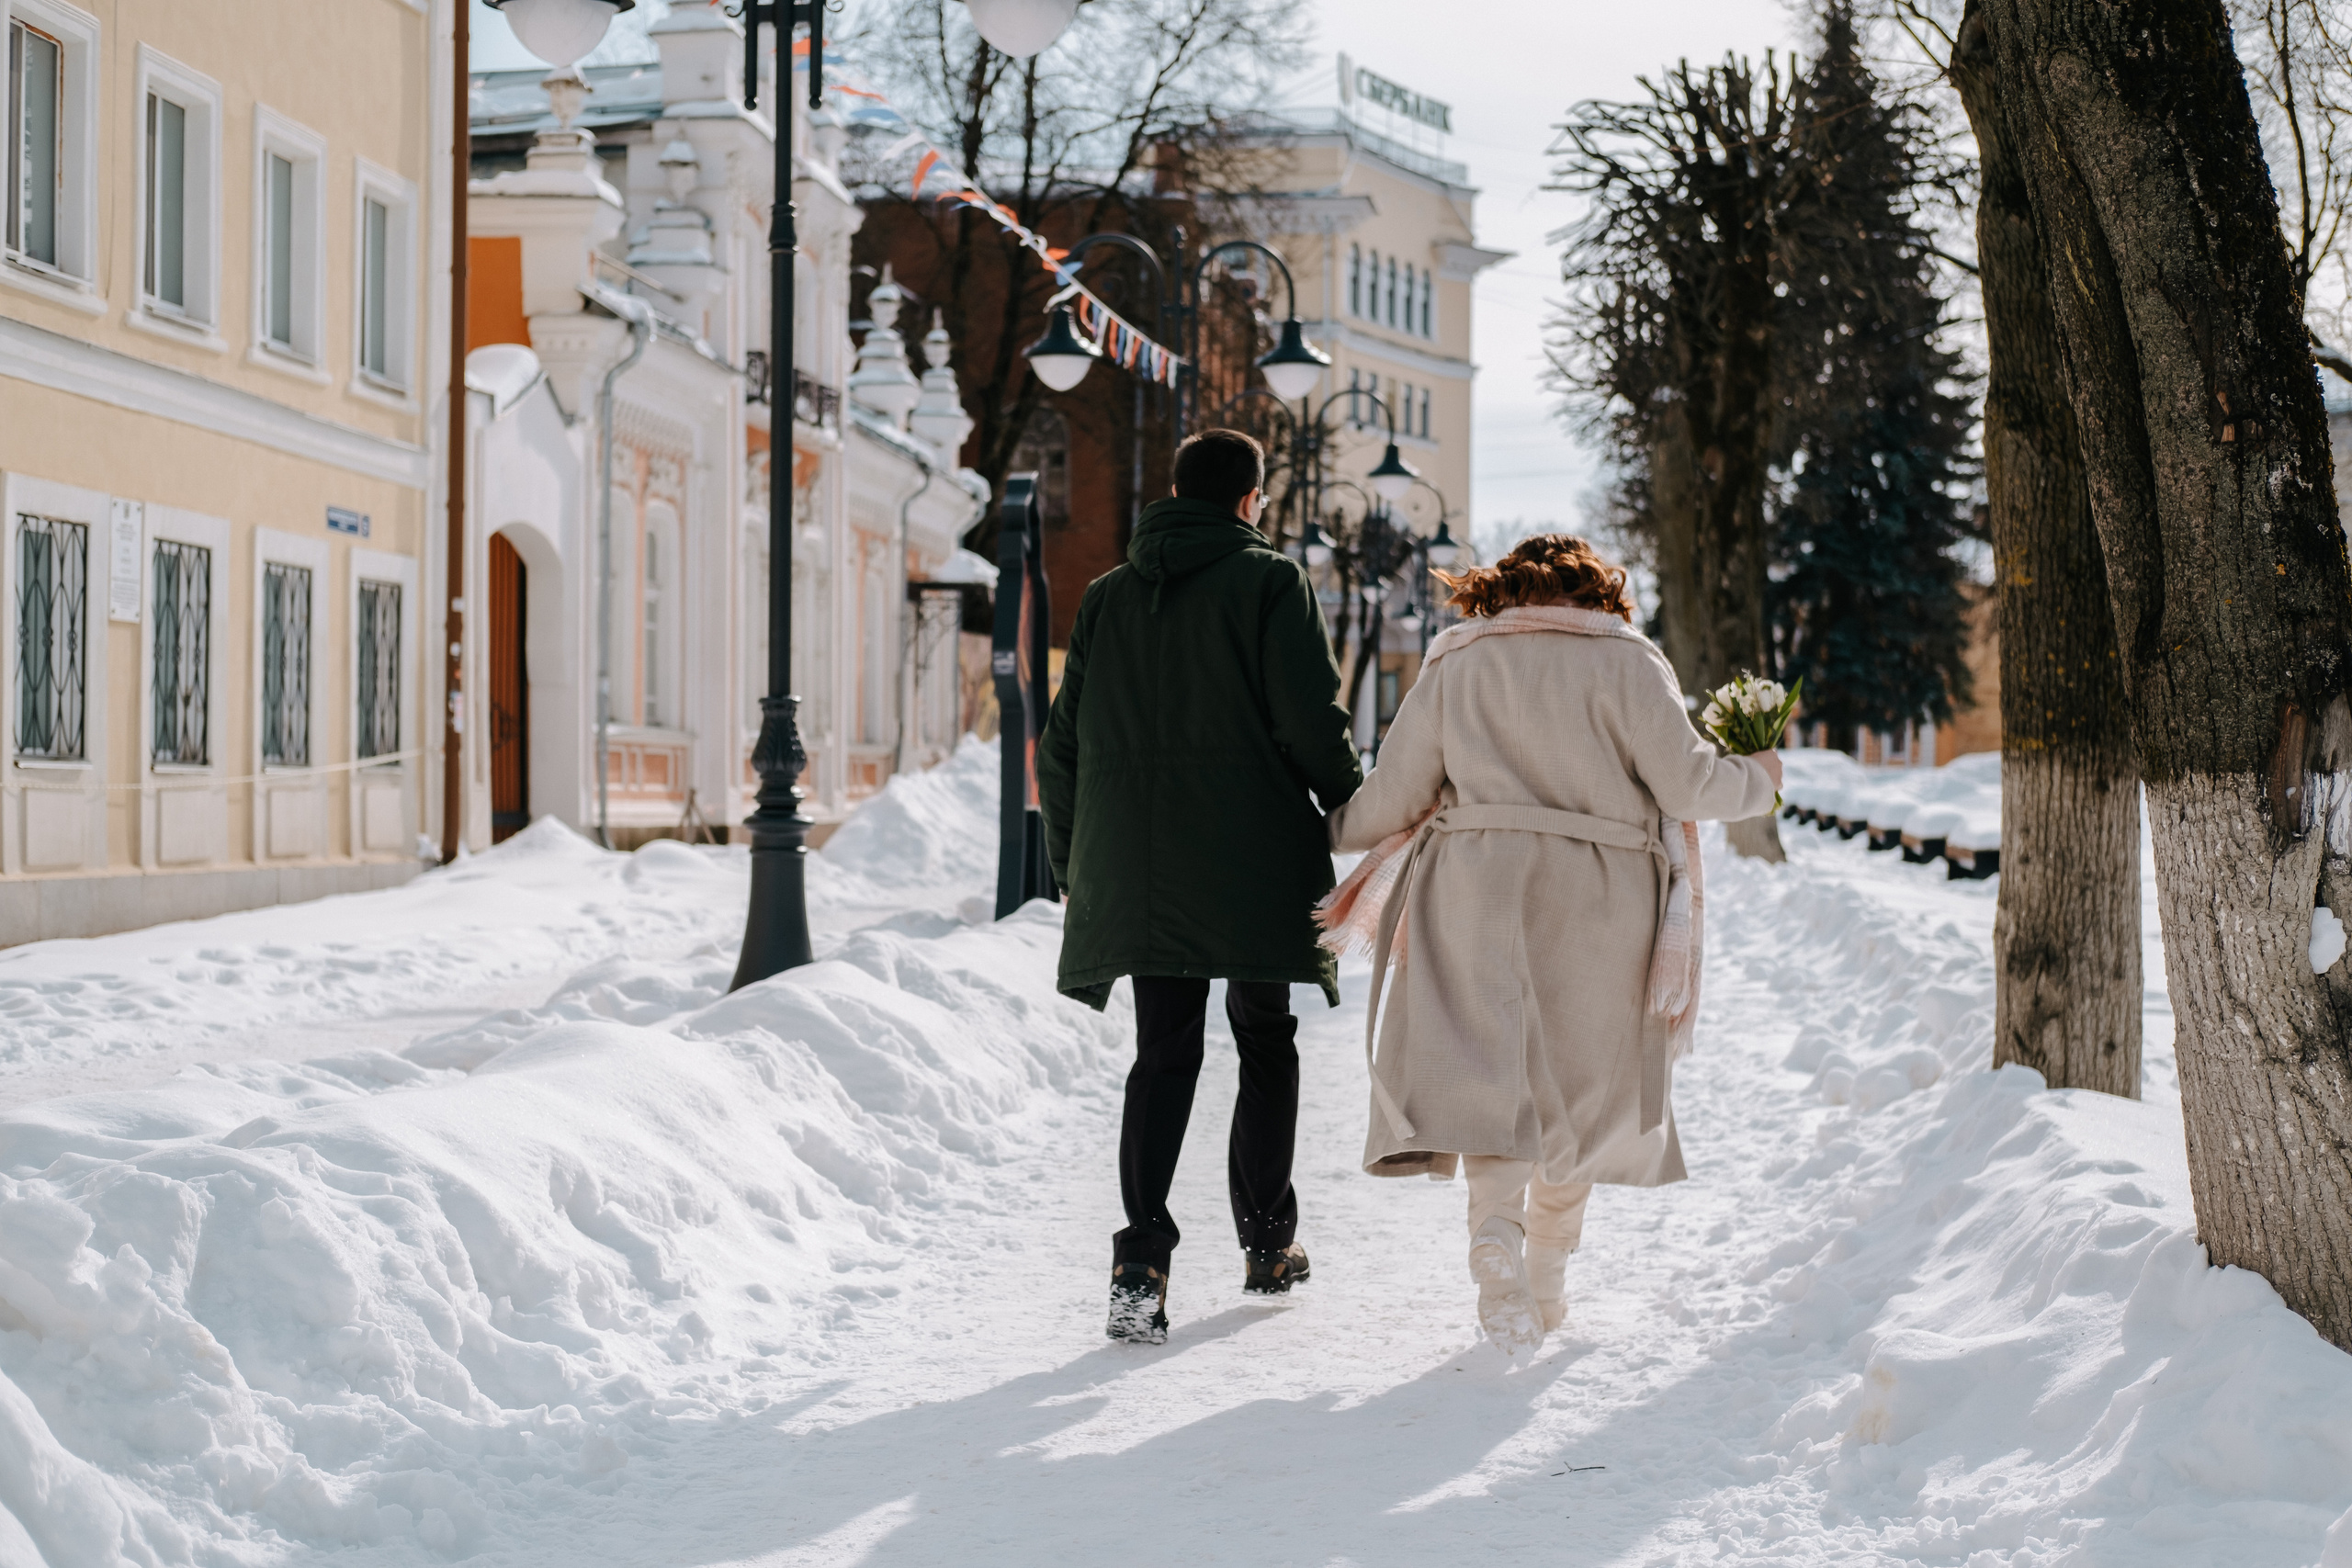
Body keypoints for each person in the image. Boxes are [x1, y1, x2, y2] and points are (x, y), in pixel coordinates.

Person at [1323, 534, 1781, 1355]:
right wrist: (1760, 776)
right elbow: (1686, 784)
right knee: (1583, 1086)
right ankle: (1547, 1274)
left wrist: (1322, 831)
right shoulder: (1630, 662)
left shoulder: (1455, 660)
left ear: (1502, 590)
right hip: (1601, 895)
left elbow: (1394, 793)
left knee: (1490, 1071)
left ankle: (1493, 1231)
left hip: (1471, 885)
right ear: (1598, 593)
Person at [1037, 429, 1362, 1347]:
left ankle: (1140, 1259)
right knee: (1265, 1038)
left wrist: (1076, 865)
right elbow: (1308, 720)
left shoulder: (1105, 597)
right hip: (1254, 852)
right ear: (1251, 499)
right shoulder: (1270, 582)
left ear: (1175, 492)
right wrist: (1363, 809)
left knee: (1164, 1051)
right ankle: (1265, 1244)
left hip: (1137, 860)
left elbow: (1060, 747)